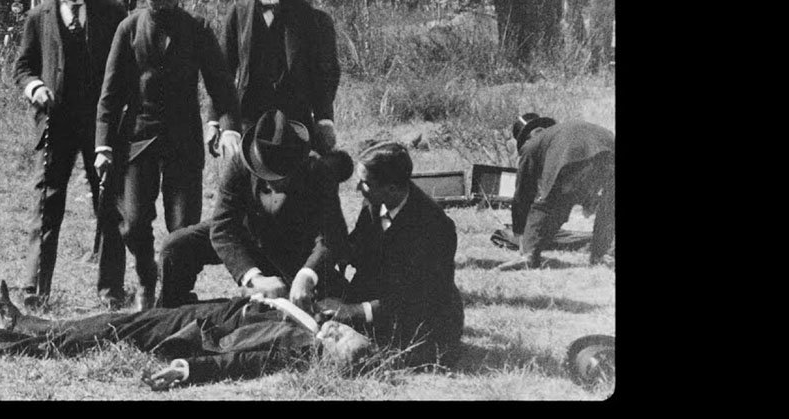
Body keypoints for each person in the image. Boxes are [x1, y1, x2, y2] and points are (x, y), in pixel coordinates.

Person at [94, 0, 240, 310]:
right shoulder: (128, 30)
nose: (161, 6)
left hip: (183, 142)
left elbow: (222, 89)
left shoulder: (198, 30)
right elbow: (110, 94)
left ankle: (175, 295)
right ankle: (146, 277)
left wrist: (226, 128)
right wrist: (102, 145)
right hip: (138, 139)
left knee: (183, 228)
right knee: (132, 222)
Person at [0, 280, 375, 390]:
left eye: (338, 340)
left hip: (198, 331)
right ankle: (25, 328)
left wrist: (187, 370)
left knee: (111, 330)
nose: (336, 329)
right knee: (113, 324)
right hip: (214, 310)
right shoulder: (318, 321)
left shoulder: (297, 349)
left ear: (330, 359)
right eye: (345, 330)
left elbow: (239, 362)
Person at [12, 0, 129, 309]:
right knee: (47, 203)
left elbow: (127, 65)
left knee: (109, 203)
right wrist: (34, 87)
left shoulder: (112, 12)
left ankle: (111, 289)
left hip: (101, 126)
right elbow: (22, 66)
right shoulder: (38, 18)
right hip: (55, 125)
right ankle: (35, 289)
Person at [158, 110, 353, 310]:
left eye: (283, 176)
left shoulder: (319, 172)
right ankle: (169, 312)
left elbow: (331, 236)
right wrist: (253, 277)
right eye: (268, 174)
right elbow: (223, 227)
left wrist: (307, 275)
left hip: (293, 251)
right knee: (176, 247)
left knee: (326, 307)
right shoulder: (239, 164)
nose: (276, 183)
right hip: (248, 236)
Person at [321, 140, 464, 368]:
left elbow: (418, 296)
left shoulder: (435, 227)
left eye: (365, 183)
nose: (358, 189)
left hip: (423, 320)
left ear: (392, 188)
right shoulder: (375, 202)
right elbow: (358, 248)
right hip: (382, 301)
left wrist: (353, 311)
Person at [205, 0, 341, 161]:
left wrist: (324, 119)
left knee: (295, 189)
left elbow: (323, 73)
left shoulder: (307, 15)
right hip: (248, 118)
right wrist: (218, 122)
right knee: (245, 189)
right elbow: (222, 74)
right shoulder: (238, 13)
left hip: (294, 120)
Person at [497, 114, 616, 271]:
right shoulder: (563, 130)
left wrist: (520, 233)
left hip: (573, 158)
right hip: (609, 148)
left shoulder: (532, 145)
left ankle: (529, 256)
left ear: (527, 137)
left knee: (544, 207)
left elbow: (523, 195)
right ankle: (602, 255)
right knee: (609, 207)